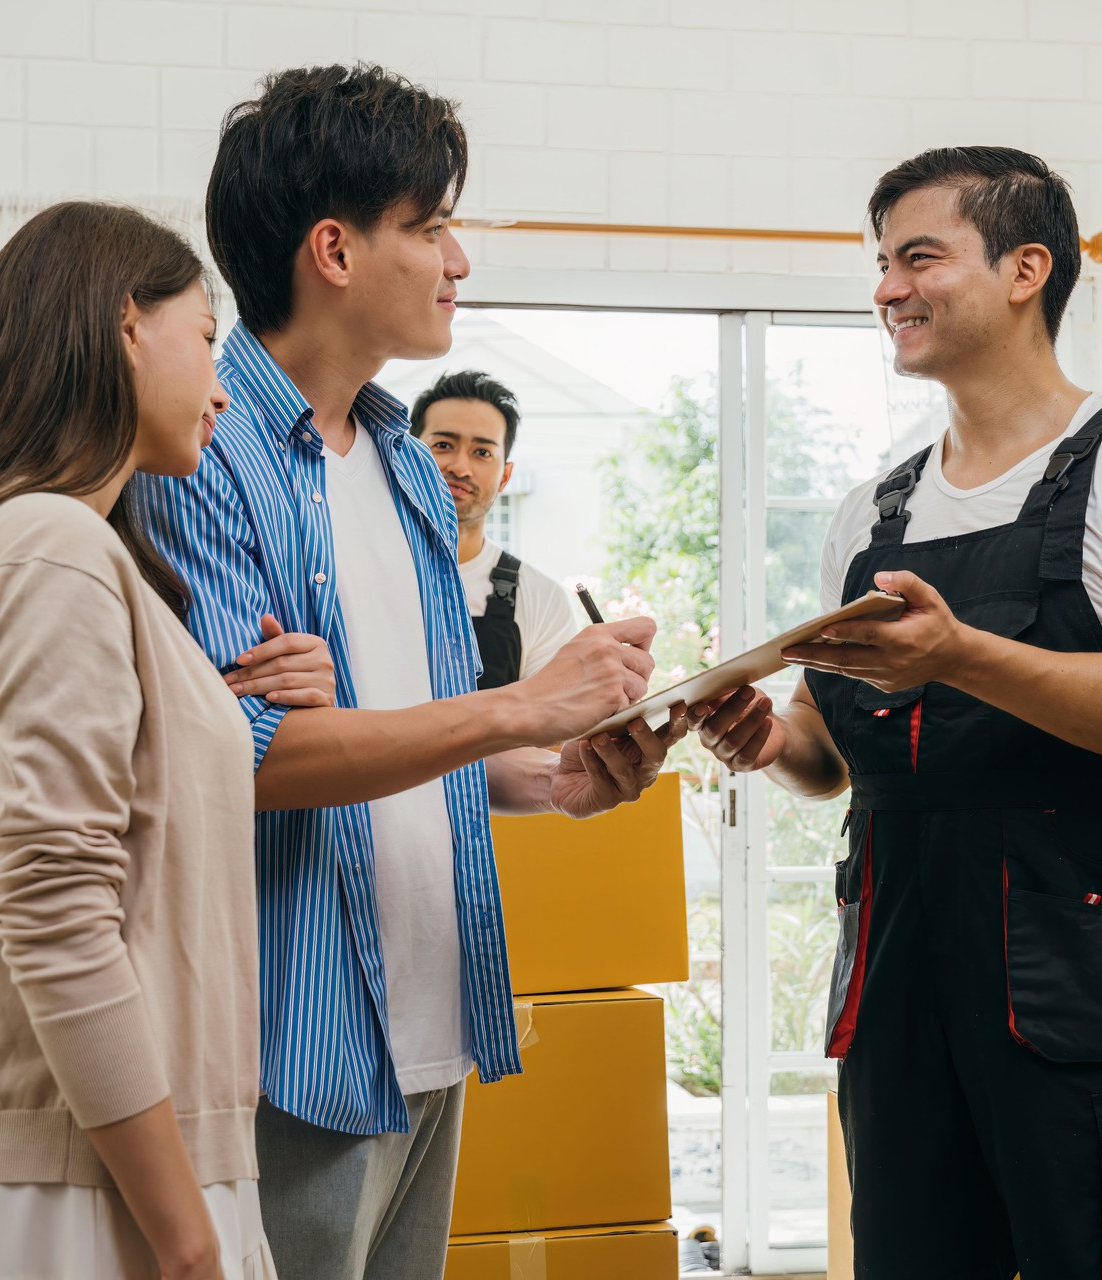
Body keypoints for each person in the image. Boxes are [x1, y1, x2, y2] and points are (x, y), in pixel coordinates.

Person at [128, 65, 686, 1280]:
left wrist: (560, 775)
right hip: (295, 1045)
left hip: (436, 1019)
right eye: (430, 226)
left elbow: (414, 747)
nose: (458, 259)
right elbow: (249, 763)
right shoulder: (201, 458)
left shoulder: (408, 467)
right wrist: (521, 703)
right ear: (333, 248)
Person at [689, 147, 1102, 1279]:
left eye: (919, 257)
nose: (888, 289)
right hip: (897, 1004)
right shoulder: (872, 511)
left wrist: (958, 655)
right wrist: (769, 740)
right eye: (882, 265)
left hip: (1083, 1003)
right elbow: (831, 754)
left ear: (1024, 269)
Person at [0, 202, 335, 1280]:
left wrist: (222, 711)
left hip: (113, 1156)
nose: (222, 387)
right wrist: (183, 1239)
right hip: (108, 1175)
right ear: (128, 322)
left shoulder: (48, 547)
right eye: (208, 339)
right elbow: (55, 909)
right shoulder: (53, 547)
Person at [409, 369, 581, 688]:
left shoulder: (543, 600)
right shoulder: (360, 574)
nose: (460, 467)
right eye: (443, 444)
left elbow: (552, 730)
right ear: (407, 455)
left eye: (483, 452)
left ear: (505, 476)